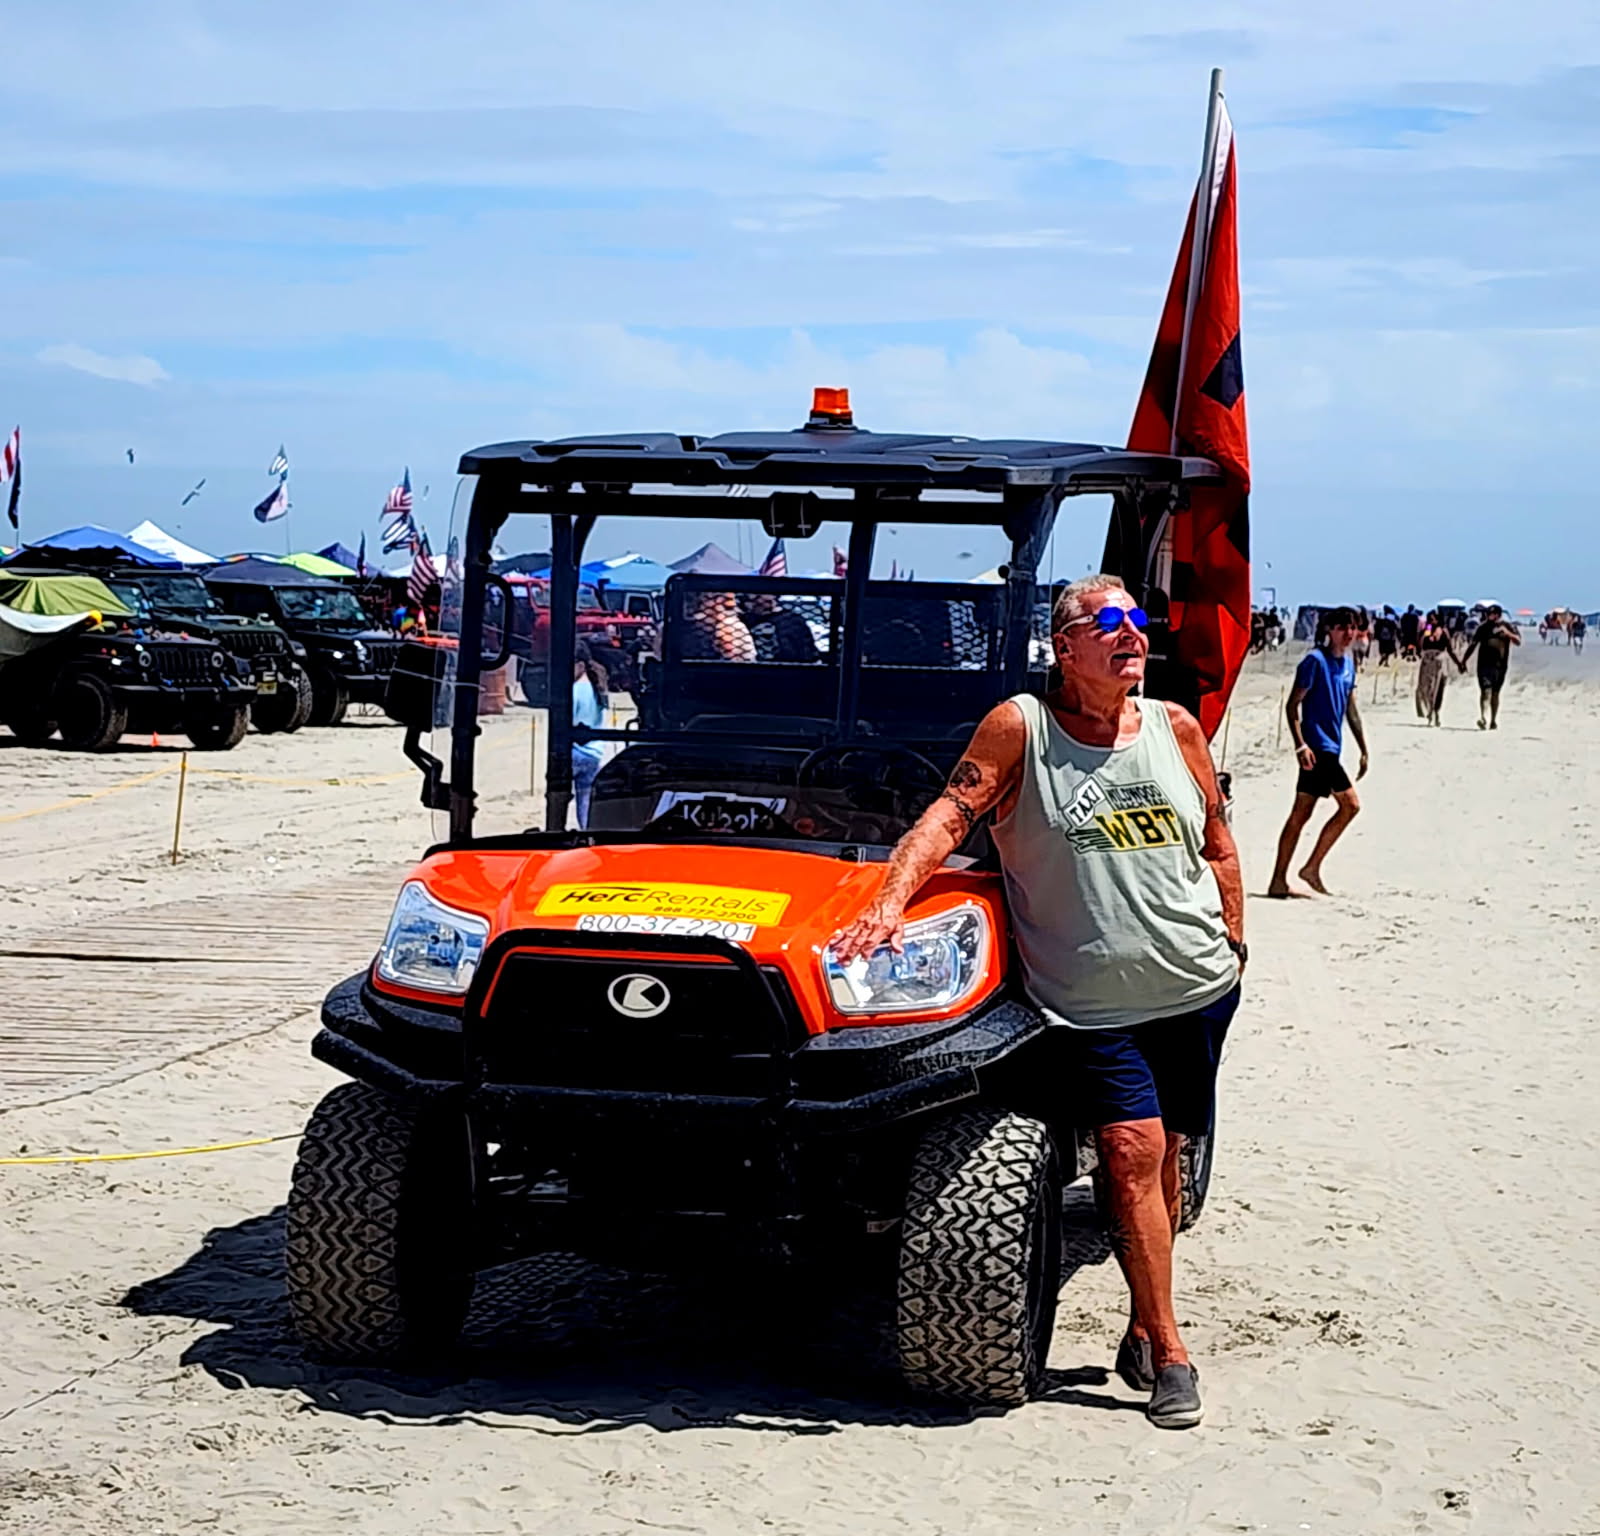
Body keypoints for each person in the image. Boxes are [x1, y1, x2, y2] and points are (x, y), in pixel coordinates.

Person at [830, 574, 1244, 1430]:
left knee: (1167, 1154)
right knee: (1129, 1149)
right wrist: (888, 902)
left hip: (1196, 987)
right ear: (1065, 646)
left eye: (1138, 619)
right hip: (1086, 1004)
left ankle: (1142, 1321)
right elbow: (950, 817)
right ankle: (1172, 1353)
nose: (1132, 633)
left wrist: (1235, 941)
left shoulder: (1175, 727)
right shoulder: (1024, 727)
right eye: (1111, 621)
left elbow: (1217, 841)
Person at [1268, 606, 1368, 897]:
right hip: (1317, 748)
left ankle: (1279, 881)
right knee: (1350, 806)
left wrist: (1363, 748)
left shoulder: (1348, 663)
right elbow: (1292, 705)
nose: (1348, 633)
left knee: (1300, 815)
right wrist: (1300, 744)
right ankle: (1311, 868)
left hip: (1333, 747)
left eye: (1352, 628)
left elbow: (1351, 709)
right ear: (1329, 630)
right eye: (1342, 627)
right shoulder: (1314, 661)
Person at [1461, 603, 1521, 730]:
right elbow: (1473, 644)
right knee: (1485, 690)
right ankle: (1483, 717)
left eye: (1491, 614)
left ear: (1498, 615)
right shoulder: (1483, 628)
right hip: (1484, 664)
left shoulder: (1508, 626)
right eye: (1488, 614)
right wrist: (1464, 660)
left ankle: (1493, 720)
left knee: (1495, 693)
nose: (1489, 616)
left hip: (1500, 666)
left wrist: (1507, 633)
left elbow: (1518, 641)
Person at [570, 640, 607, 827]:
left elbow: (570, 722)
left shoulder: (574, 690)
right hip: (594, 753)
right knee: (585, 800)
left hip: (575, 752)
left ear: (580, 665)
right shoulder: (597, 686)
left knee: (559, 793)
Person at [1414, 610, 1462, 727]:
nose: (1431, 621)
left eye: (1433, 619)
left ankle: (1434, 713)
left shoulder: (1443, 631)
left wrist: (1459, 663)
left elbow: (1450, 649)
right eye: (1429, 619)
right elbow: (1421, 643)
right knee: (1424, 688)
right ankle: (1428, 710)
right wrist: (1425, 633)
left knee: (1436, 689)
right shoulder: (1428, 629)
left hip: (1438, 661)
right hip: (1427, 661)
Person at [680, 591, 756, 661]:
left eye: (705, 600)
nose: (702, 606)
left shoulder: (726, 625)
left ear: (717, 601)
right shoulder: (725, 622)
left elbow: (729, 655)